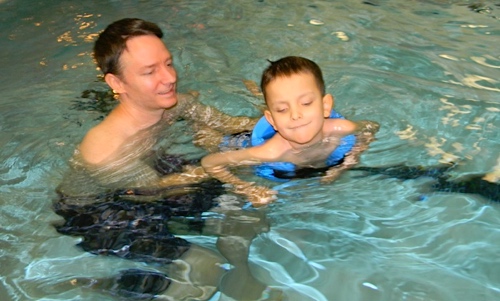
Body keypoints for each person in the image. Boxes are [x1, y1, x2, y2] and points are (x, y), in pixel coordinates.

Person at [55, 18, 272, 300]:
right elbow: (157, 191)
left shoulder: (173, 104)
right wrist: (221, 162)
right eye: (150, 71)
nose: (169, 78)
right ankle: (114, 284)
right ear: (116, 82)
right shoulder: (104, 152)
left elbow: (232, 124)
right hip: (99, 212)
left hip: (150, 176)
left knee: (244, 212)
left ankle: (238, 272)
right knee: (205, 268)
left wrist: (279, 116)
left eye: (168, 63)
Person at [201, 56, 380, 205]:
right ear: (272, 121)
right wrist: (246, 188)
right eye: (282, 110)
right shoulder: (271, 152)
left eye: (306, 103)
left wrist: (349, 161)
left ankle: (259, 95)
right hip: (242, 142)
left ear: (325, 106)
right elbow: (210, 163)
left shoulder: (341, 128)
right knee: (209, 141)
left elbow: (370, 128)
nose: (296, 115)